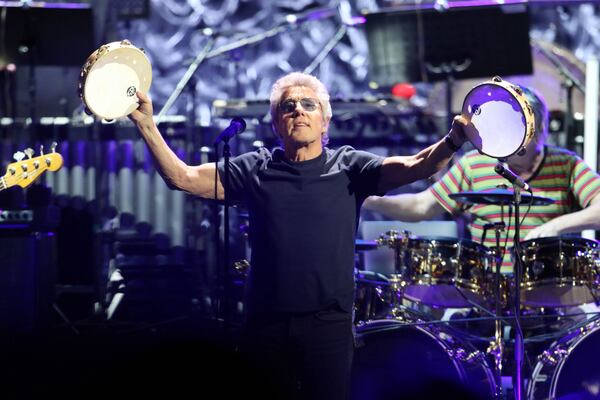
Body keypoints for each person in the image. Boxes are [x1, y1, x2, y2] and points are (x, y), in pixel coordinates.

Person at [128, 71, 468, 400]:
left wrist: (452, 140)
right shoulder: (255, 168)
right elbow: (183, 177)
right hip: (265, 324)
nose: (299, 111)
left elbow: (417, 165)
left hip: (328, 327)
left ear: (325, 122)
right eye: (288, 106)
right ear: (276, 124)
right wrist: (146, 125)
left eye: (309, 104)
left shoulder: (349, 167)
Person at [364, 86, 600, 274]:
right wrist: (369, 198)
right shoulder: (474, 163)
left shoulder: (566, 164)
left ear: (540, 129)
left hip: (550, 288)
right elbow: (421, 206)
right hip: (488, 291)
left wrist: (555, 226)